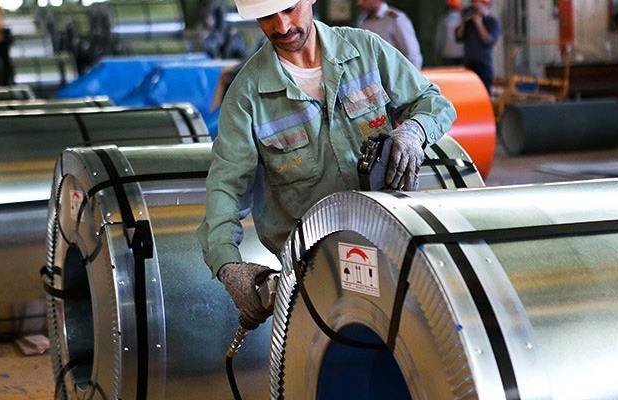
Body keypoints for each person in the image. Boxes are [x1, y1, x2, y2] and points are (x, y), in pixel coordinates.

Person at [197, 0, 456, 329]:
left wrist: (413, 131)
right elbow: (226, 188)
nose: (282, 27)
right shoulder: (247, 96)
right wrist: (228, 266)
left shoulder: (365, 51)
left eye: (290, 9)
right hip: (316, 272)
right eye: (267, 17)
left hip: (393, 247)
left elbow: (433, 103)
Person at [356, 0, 423, 69]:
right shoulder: (362, 20)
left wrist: (412, 74)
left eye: (364, 0)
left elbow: (412, 54)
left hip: (392, 71)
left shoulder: (394, 18)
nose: (360, 3)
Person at [456, 0, 501, 92]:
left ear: (486, 5)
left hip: (484, 65)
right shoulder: (469, 23)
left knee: (484, 93)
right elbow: (459, 37)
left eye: (477, 4)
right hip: (469, 64)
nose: (474, 7)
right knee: (469, 93)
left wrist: (479, 23)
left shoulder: (492, 22)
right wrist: (463, 20)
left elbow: (488, 41)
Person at [435, 0, 465, 66]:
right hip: (461, 54)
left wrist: (438, 51)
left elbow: (439, 39)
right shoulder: (464, 19)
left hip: (448, 54)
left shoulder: (445, 20)